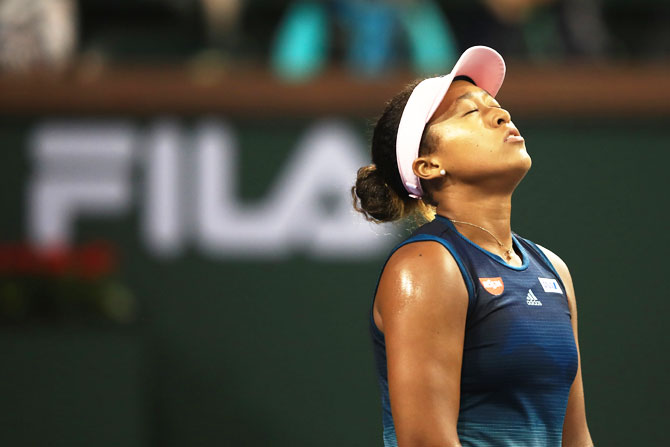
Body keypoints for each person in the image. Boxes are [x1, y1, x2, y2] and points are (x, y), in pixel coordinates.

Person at [352, 46, 593, 446]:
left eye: (495, 105)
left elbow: (576, 438)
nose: (502, 114)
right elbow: (425, 442)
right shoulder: (427, 266)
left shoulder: (553, 270)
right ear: (428, 164)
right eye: (470, 112)